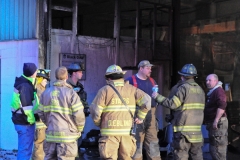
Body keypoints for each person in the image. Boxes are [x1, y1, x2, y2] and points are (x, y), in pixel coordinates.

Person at [90, 64, 151, 160]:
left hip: (109, 135)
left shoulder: (104, 91)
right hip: (127, 134)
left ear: (108, 78)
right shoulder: (132, 90)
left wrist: (99, 123)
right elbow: (147, 101)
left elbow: (95, 111)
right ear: (122, 76)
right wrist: (140, 117)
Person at [152, 64, 205, 160]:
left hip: (183, 131)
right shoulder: (200, 90)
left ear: (182, 76)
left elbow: (173, 104)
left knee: (181, 155)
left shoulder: (183, 88)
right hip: (197, 131)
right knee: (197, 155)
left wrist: (157, 97)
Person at [37, 66, 85, 160]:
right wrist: (79, 129)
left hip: (51, 136)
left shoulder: (46, 93)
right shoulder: (71, 93)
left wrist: (49, 124)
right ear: (67, 77)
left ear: (55, 76)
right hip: (67, 139)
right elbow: (79, 115)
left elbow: (40, 112)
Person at [126, 60, 161, 160]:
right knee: (137, 141)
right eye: (148, 68)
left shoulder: (152, 81)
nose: (150, 70)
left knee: (153, 141)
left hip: (151, 115)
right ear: (140, 68)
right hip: (136, 115)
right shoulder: (130, 81)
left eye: (151, 68)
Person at [10, 62, 39, 160]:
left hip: (21, 121)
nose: (37, 72)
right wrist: (33, 120)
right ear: (32, 73)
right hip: (25, 123)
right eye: (36, 70)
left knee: (24, 150)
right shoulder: (25, 86)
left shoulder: (23, 82)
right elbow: (26, 107)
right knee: (25, 151)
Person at [66, 62, 89, 156]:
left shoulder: (80, 87)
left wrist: (87, 109)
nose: (82, 74)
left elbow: (83, 101)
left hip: (78, 121)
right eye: (80, 72)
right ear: (74, 73)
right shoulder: (66, 86)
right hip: (69, 121)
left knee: (78, 142)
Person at [204, 74, 228, 160]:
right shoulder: (213, 92)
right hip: (214, 123)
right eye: (206, 80)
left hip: (218, 124)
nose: (207, 82)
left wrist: (216, 120)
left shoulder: (218, 91)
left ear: (216, 81)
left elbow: (222, 105)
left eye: (210, 80)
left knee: (218, 150)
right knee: (215, 150)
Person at [32, 69, 50, 160]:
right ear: (40, 79)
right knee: (39, 147)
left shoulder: (41, 89)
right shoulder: (40, 91)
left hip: (42, 124)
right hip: (40, 124)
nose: (46, 82)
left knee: (40, 147)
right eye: (45, 80)